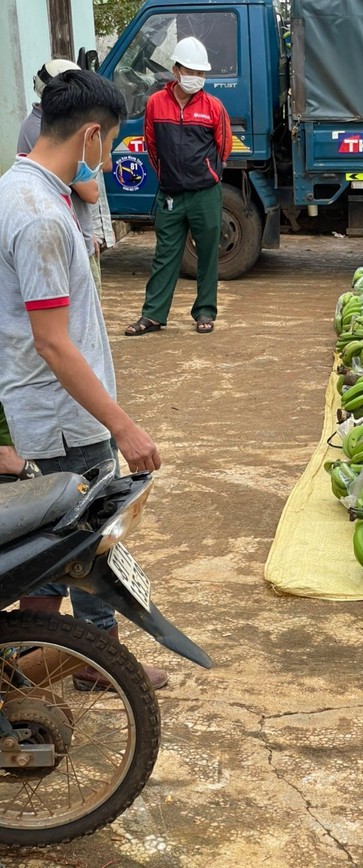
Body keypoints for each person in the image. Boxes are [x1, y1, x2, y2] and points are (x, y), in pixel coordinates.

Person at [0, 69, 167, 691]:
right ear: (91, 135)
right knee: (84, 545)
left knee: (47, 547)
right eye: (115, 144)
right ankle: (93, 663)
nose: (112, 156)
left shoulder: (16, 189)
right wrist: (123, 427)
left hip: (44, 409)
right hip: (65, 417)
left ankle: (37, 666)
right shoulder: (42, 214)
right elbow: (51, 341)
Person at [124, 36, 232, 336]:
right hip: (171, 194)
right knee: (165, 255)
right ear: (175, 70)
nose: (196, 78)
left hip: (205, 194)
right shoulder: (156, 103)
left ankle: (205, 312)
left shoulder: (214, 107)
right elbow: (152, 146)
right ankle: (153, 315)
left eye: (201, 73)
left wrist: (207, 173)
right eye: (190, 71)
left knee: (209, 253)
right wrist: (169, 177)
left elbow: (223, 147)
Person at [17, 58, 104, 296]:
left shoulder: (37, 124)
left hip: (76, 236)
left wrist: (89, 233)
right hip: (64, 243)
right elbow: (90, 192)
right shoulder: (43, 130)